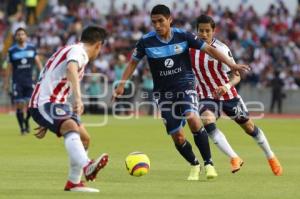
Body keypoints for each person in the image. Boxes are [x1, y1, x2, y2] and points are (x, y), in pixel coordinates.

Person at [113, 4, 250, 180]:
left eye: (161, 21)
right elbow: (133, 63)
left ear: (170, 20)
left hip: (185, 87)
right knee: (177, 136)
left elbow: (209, 49)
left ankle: (209, 164)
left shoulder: (183, 36)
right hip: (163, 94)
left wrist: (232, 65)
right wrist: (122, 84)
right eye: (153, 22)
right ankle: (194, 165)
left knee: (193, 118)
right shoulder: (146, 41)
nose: (157, 25)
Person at [190, 15, 282, 176]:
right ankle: (234, 157)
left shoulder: (222, 49)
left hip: (229, 97)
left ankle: (271, 156)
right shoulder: (190, 49)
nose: (204, 34)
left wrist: (225, 86)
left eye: (207, 31)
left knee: (249, 128)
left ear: (213, 31)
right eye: (201, 30)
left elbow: (237, 75)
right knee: (207, 121)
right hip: (206, 96)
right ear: (196, 31)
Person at [28, 26, 109, 192]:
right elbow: (71, 68)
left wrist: (47, 122)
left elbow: (54, 75)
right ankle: (87, 165)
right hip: (44, 102)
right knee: (71, 127)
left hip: (56, 103)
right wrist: (79, 98)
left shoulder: (71, 49)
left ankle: (74, 182)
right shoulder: (79, 52)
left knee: (85, 138)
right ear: (98, 45)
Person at [3, 27, 43, 135]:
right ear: (16, 37)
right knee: (20, 105)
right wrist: (6, 83)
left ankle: (27, 120)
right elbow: (9, 68)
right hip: (17, 82)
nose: (20, 36)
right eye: (18, 34)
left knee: (31, 106)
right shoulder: (12, 51)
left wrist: (43, 75)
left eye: (22, 34)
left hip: (30, 81)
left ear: (26, 36)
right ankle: (22, 128)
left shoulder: (32, 48)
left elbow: (38, 63)